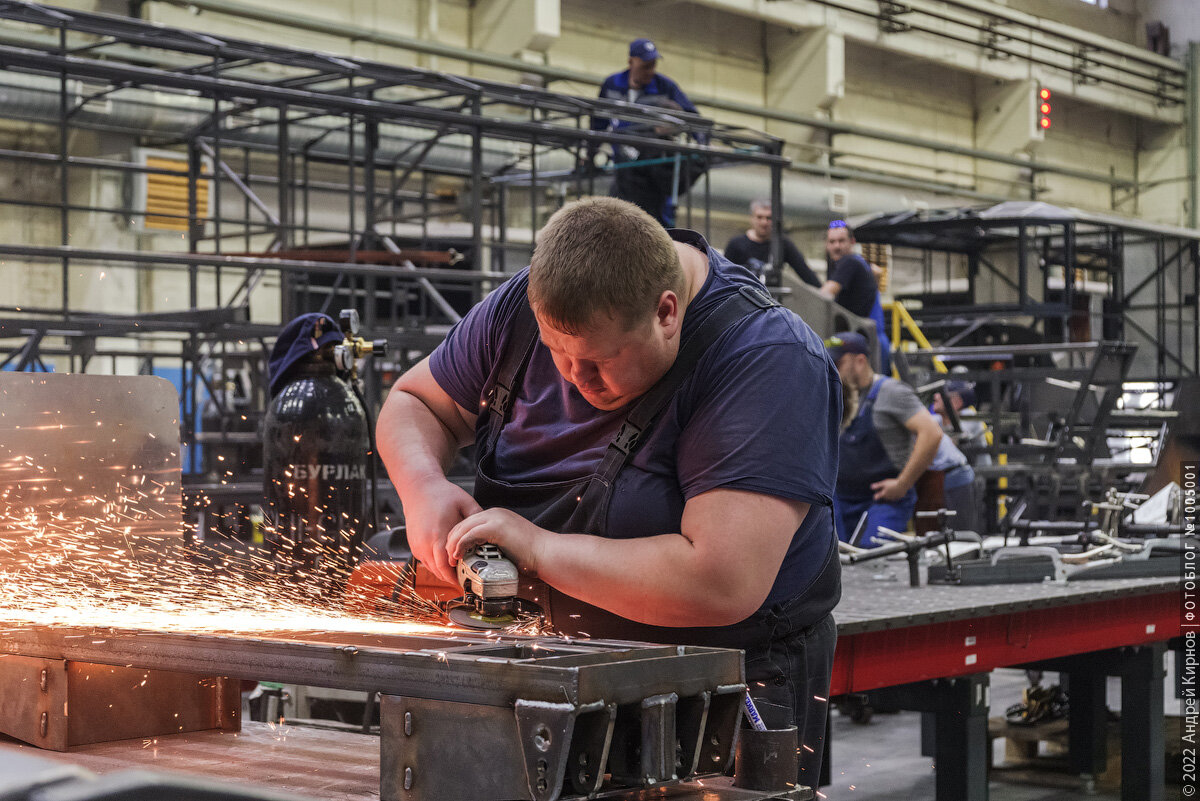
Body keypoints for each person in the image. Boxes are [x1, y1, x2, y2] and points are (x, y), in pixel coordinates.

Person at [378, 196, 842, 787]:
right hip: (548, 663)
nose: (574, 378)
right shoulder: (524, 308)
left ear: (667, 313)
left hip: (719, 689)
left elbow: (721, 581)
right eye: (556, 353)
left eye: (599, 360)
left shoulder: (764, 357)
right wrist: (424, 488)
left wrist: (536, 549)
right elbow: (414, 402)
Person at [826, 332, 941, 548]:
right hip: (840, 498)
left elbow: (932, 433)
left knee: (871, 554)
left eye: (838, 364)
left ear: (860, 361)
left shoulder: (891, 393)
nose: (832, 371)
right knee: (829, 554)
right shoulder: (836, 394)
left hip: (882, 500)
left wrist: (903, 484)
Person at [590, 38, 705, 227]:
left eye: (653, 65)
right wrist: (589, 154)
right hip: (623, 166)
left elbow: (694, 118)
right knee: (618, 218)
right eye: (646, 66)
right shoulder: (612, 84)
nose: (650, 71)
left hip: (652, 166)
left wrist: (702, 144)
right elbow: (598, 123)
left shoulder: (665, 86)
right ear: (631, 62)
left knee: (656, 222)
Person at [820, 221, 892, 375]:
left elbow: (824, 295)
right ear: (827, 245)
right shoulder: (860, 263)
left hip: (867, 342)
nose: (837, 246)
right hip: (875, 340)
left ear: (852, 242)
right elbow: (876, 273)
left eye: (841, 241)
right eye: (832, 242)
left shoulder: (849, 261)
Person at [724, 200, 820, 289]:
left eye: (769, 218)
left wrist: (823, 292)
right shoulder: (736, 244)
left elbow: (806, 273)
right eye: (759, 217)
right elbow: (724, 275)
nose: (764, 222)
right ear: (752, 218)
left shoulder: (783, 244)